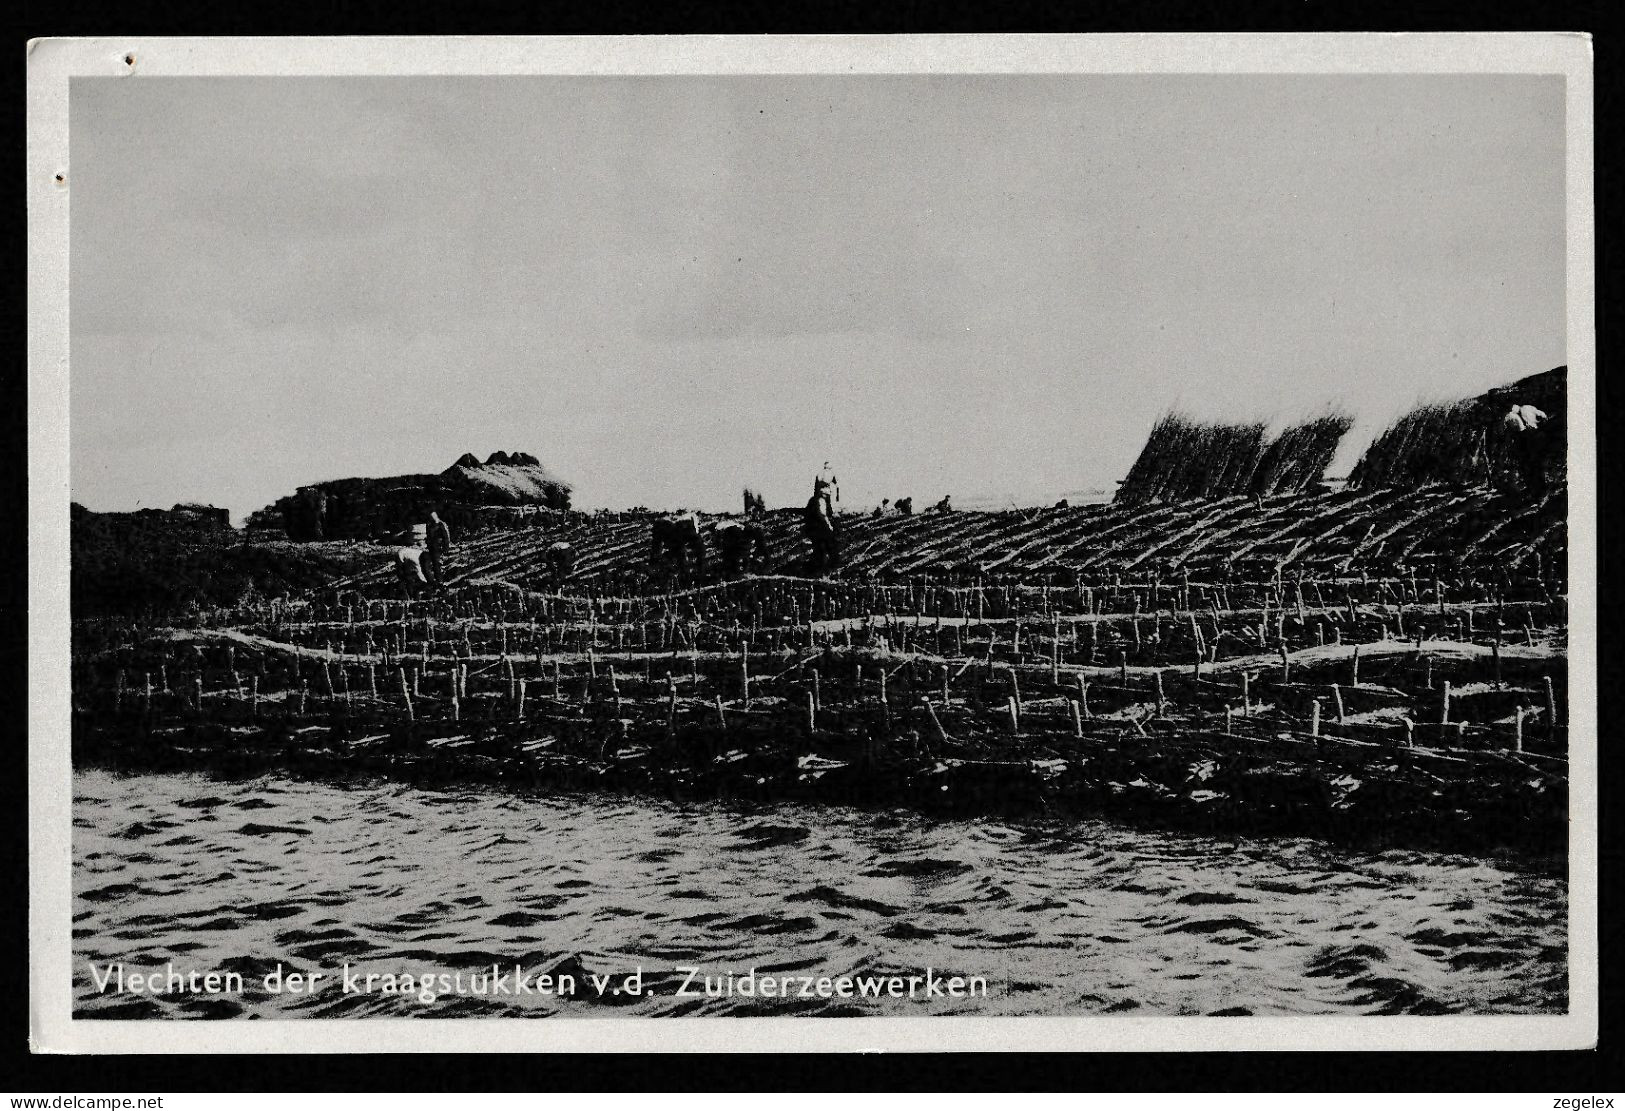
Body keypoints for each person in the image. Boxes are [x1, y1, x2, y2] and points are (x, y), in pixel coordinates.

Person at [1504, 403, 1551, 493]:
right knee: (1536, 463)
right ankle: (1539, 487)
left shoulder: (1511, 416)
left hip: (1527, 438)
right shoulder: (1527, 408)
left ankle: (1537, 488)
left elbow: (1516, 431)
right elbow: (1542, 415)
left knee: (1531, 464)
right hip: (1534, 436)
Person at [803, 476, 841, 573]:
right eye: (827, 489)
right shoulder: (820, 500)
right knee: (831, 546)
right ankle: (829, 569)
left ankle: (820, 569)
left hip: (812, 530)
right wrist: (829, 526)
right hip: (819, 530)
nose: (829, 491)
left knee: (820, 549)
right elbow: (822, 515)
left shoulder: (813, 500)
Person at [423, 511, 453, 587]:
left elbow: (446, 536)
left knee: (437, 564)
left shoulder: (441, 524)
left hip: (438, 547)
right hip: (431, 546)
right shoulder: (429, 524)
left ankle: (440, 581)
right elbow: (428, 535)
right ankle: (434, 580)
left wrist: (446, 546)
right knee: (430, 564)